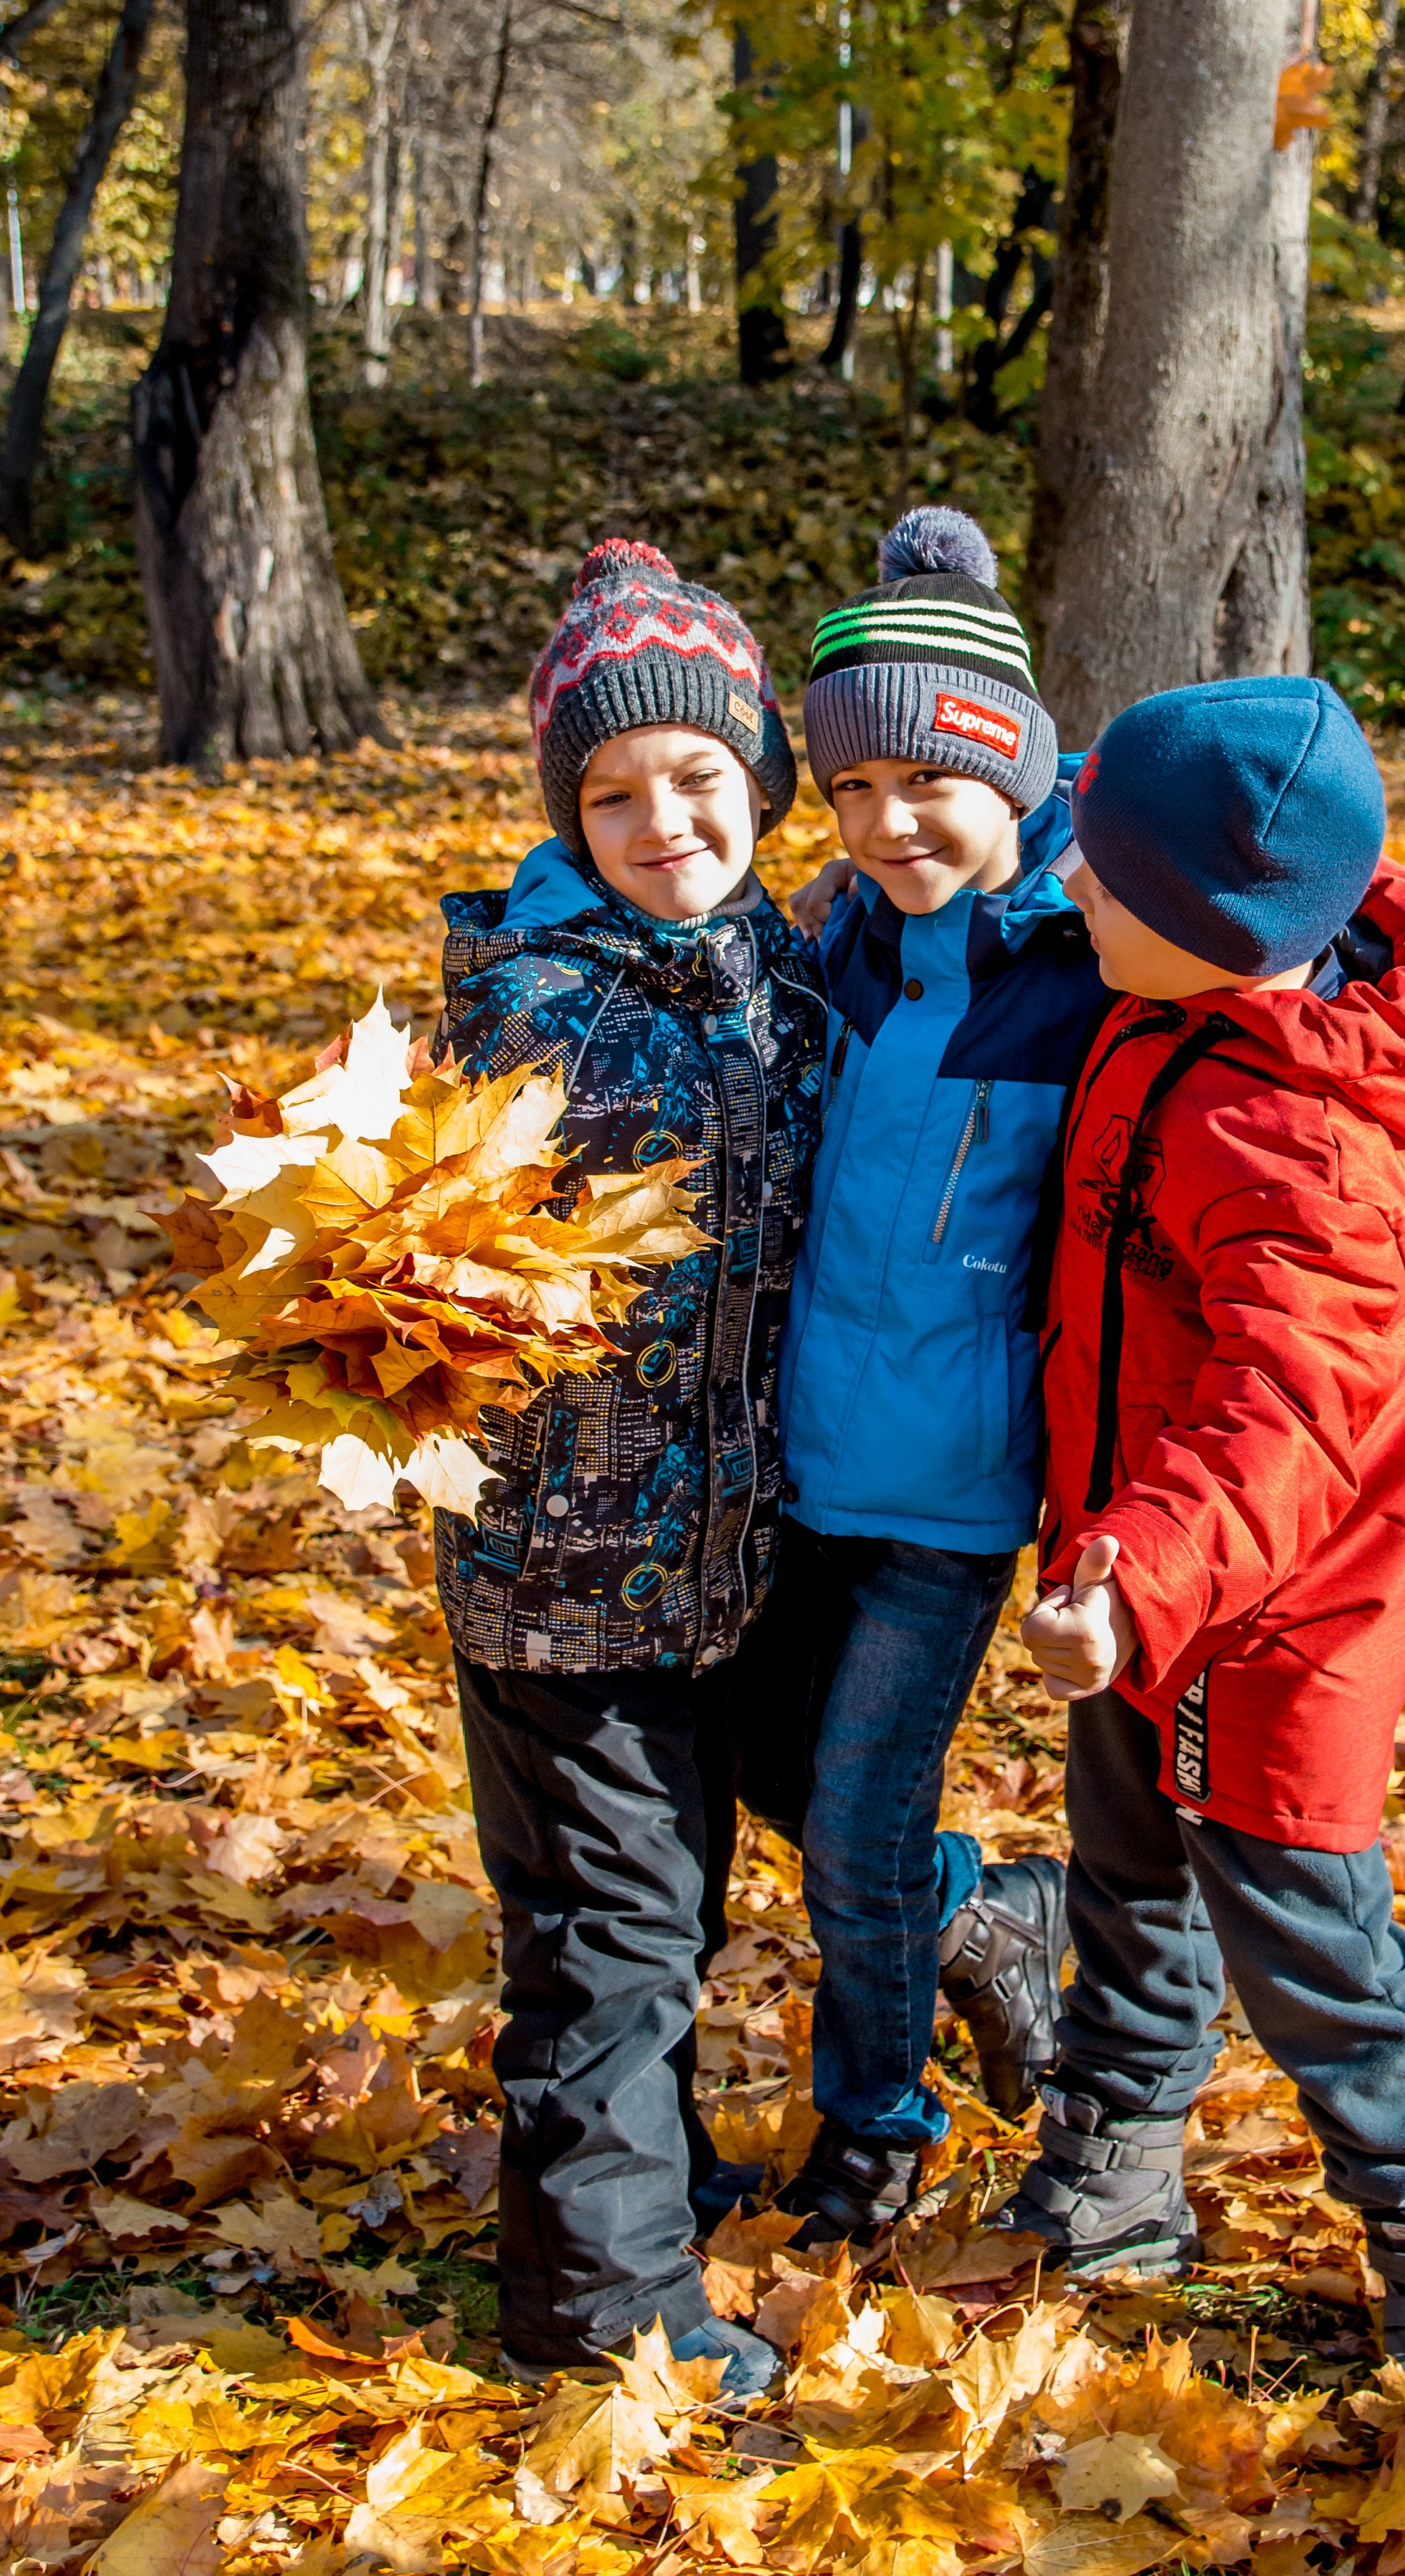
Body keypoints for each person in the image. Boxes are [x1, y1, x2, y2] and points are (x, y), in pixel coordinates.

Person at [996, 676, 1405, 2382]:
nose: (1067, 880)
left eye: (1101, 867)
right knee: (1125, 1886)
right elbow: (1304, 863)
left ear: (1209, 925)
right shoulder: (1179, 1006)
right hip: (1135, 1574)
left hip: (1264, 1620)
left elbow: (1283, 1418)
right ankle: (1112, 2166)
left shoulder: (1292, 1143)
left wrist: (1139, 1584)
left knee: (1307, 1949)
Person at [432, 540, 826, 2392]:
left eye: (699, 777)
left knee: (659, 1908)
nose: (663, 818)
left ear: (761, 776)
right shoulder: (537, 1005)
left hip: (706, 1570)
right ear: (564, 814)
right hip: (563, 1583)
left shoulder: (774, 970)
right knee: (609, 1943)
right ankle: (607, 2337)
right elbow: (423, 1248)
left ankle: (632, 2186)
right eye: (612, 793)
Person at [728, 507, 1111, 2247]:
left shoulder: (1084, 973)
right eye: (851, 790)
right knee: (782, 1781)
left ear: (1016, 774)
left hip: (953, 1494)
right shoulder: (831, 955)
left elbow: (1291, 1049)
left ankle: (873, 2132)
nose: (889, 825)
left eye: (930, 785)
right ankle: (982, 1913)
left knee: (852, 1827)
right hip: (795, 1460)